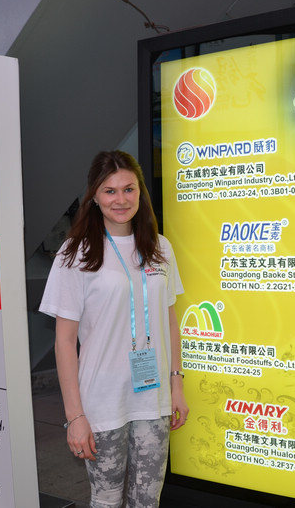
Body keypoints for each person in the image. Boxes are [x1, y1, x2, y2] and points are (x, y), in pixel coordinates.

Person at [40, 150, 188, 507]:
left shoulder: (160, 248)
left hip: (153, 399)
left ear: (140, 193)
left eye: (128, 189)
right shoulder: (76, 253)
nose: (120, 199)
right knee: (106, 500)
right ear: (94, 196)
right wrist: (74, 416)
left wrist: (176, 384)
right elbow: (64, 342)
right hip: (102, 402)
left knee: (147, 500)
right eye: (110, 191)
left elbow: (169, 321)